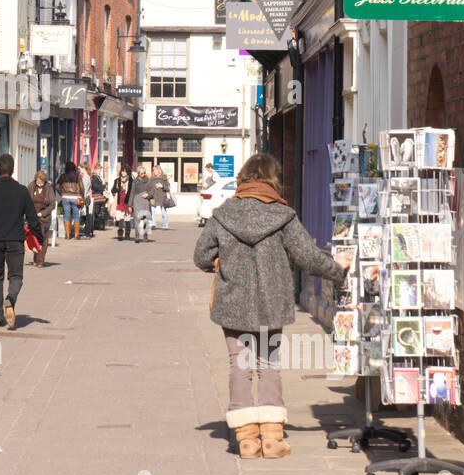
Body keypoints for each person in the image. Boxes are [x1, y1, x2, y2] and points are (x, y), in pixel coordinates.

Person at [193, 153, 350, 458]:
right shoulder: (284, 215)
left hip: (232, 304)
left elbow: (200, 257)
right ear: (273, 179)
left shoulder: (223, 214)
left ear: (244, 178)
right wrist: (338, 268)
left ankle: (246, 439)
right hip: (271, 304)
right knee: (268, 364)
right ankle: (273, 438)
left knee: (239, 365)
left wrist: (223, 263)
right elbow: (308, 257)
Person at [0, 153, 42, 329]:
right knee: (16, 277)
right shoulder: (22, 191)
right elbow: (32, 218)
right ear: (13, 170)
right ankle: (10, 299)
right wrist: (40, 238)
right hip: (15, 239)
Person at [28, 170, 56, 268]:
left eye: (41, 182)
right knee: (34, 237)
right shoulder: (31, 186)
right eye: (38, 182)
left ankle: (41, 260)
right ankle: (36, 257)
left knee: (43, 238)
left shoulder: (48, 188)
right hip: (32, 216)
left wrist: (43, 213)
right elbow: (27, 200)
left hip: (44, 217)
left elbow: (52, 204)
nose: (39, 184)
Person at [55, 161, 85, 239]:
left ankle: (67, 235)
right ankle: (76, 235)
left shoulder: (63, 176)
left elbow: (57, 186)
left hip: (65, 197)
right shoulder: (78, 176)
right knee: (76, 215)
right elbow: (82, 187)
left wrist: (62, 193)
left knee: (66, 215)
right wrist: (82, 195)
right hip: (76, 197)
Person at [130, 164, 154, 243]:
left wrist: (148, 195)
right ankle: (137, 236)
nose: (143, 175)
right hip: (137, 201)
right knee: (137, 219)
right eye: (141, 173)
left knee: (145, 219)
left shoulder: (148, 180)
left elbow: (152, 191)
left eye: (144, 173)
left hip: (145, 202)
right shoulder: (135, 181)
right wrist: (130, 205)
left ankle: (145, 235)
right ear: (138, 173)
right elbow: (132, 193)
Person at [111, 165, 134, 240]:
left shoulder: (131, 180)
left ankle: (127, 234)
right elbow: (113, 190)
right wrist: (116, 189)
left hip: (127, 202)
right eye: (122, 171)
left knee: (127, 219)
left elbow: (133, 192)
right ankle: (120, 234)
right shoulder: (117, 180)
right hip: (119, 202)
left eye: (125, 171)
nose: (123, 172)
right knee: (120, 218)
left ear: (128, 172)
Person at [86, 162, 108, 236]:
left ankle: (98, 224)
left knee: (98, 211)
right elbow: (95, 186)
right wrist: (103, 187)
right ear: (95, 169)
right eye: (99, 169)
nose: (100, 171)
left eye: (100, 170)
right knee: (96, 211)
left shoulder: (98, 176)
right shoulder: (94, 177)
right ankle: (96, 225)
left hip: (99, 195)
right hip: (97, 196)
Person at [150, 166, 172, 230]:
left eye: (155, 170)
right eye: (153, 170)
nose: (154, 171)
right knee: (152, 211)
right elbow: (148, 187)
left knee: (163, 212)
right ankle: (153, 224)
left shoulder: (164, 178)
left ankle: (165, 225)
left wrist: (162, 186)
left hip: (162, 197)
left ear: (159, 170)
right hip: (153, 197)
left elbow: (168, 188)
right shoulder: (151, 179)